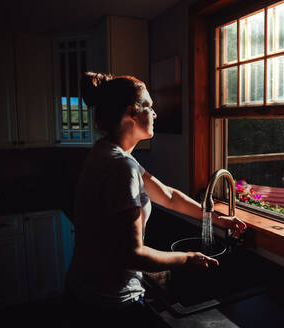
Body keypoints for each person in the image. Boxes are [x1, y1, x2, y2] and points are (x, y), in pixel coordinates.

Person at [63, 72, 246, 327]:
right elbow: (134, 254)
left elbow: (168, 195)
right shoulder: (121, 167)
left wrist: (216, 219)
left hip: (84, 290)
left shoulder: (107, 152)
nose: (155, 113)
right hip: (108, 304)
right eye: (149, 106)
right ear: (132, 112)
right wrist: (187, 259)